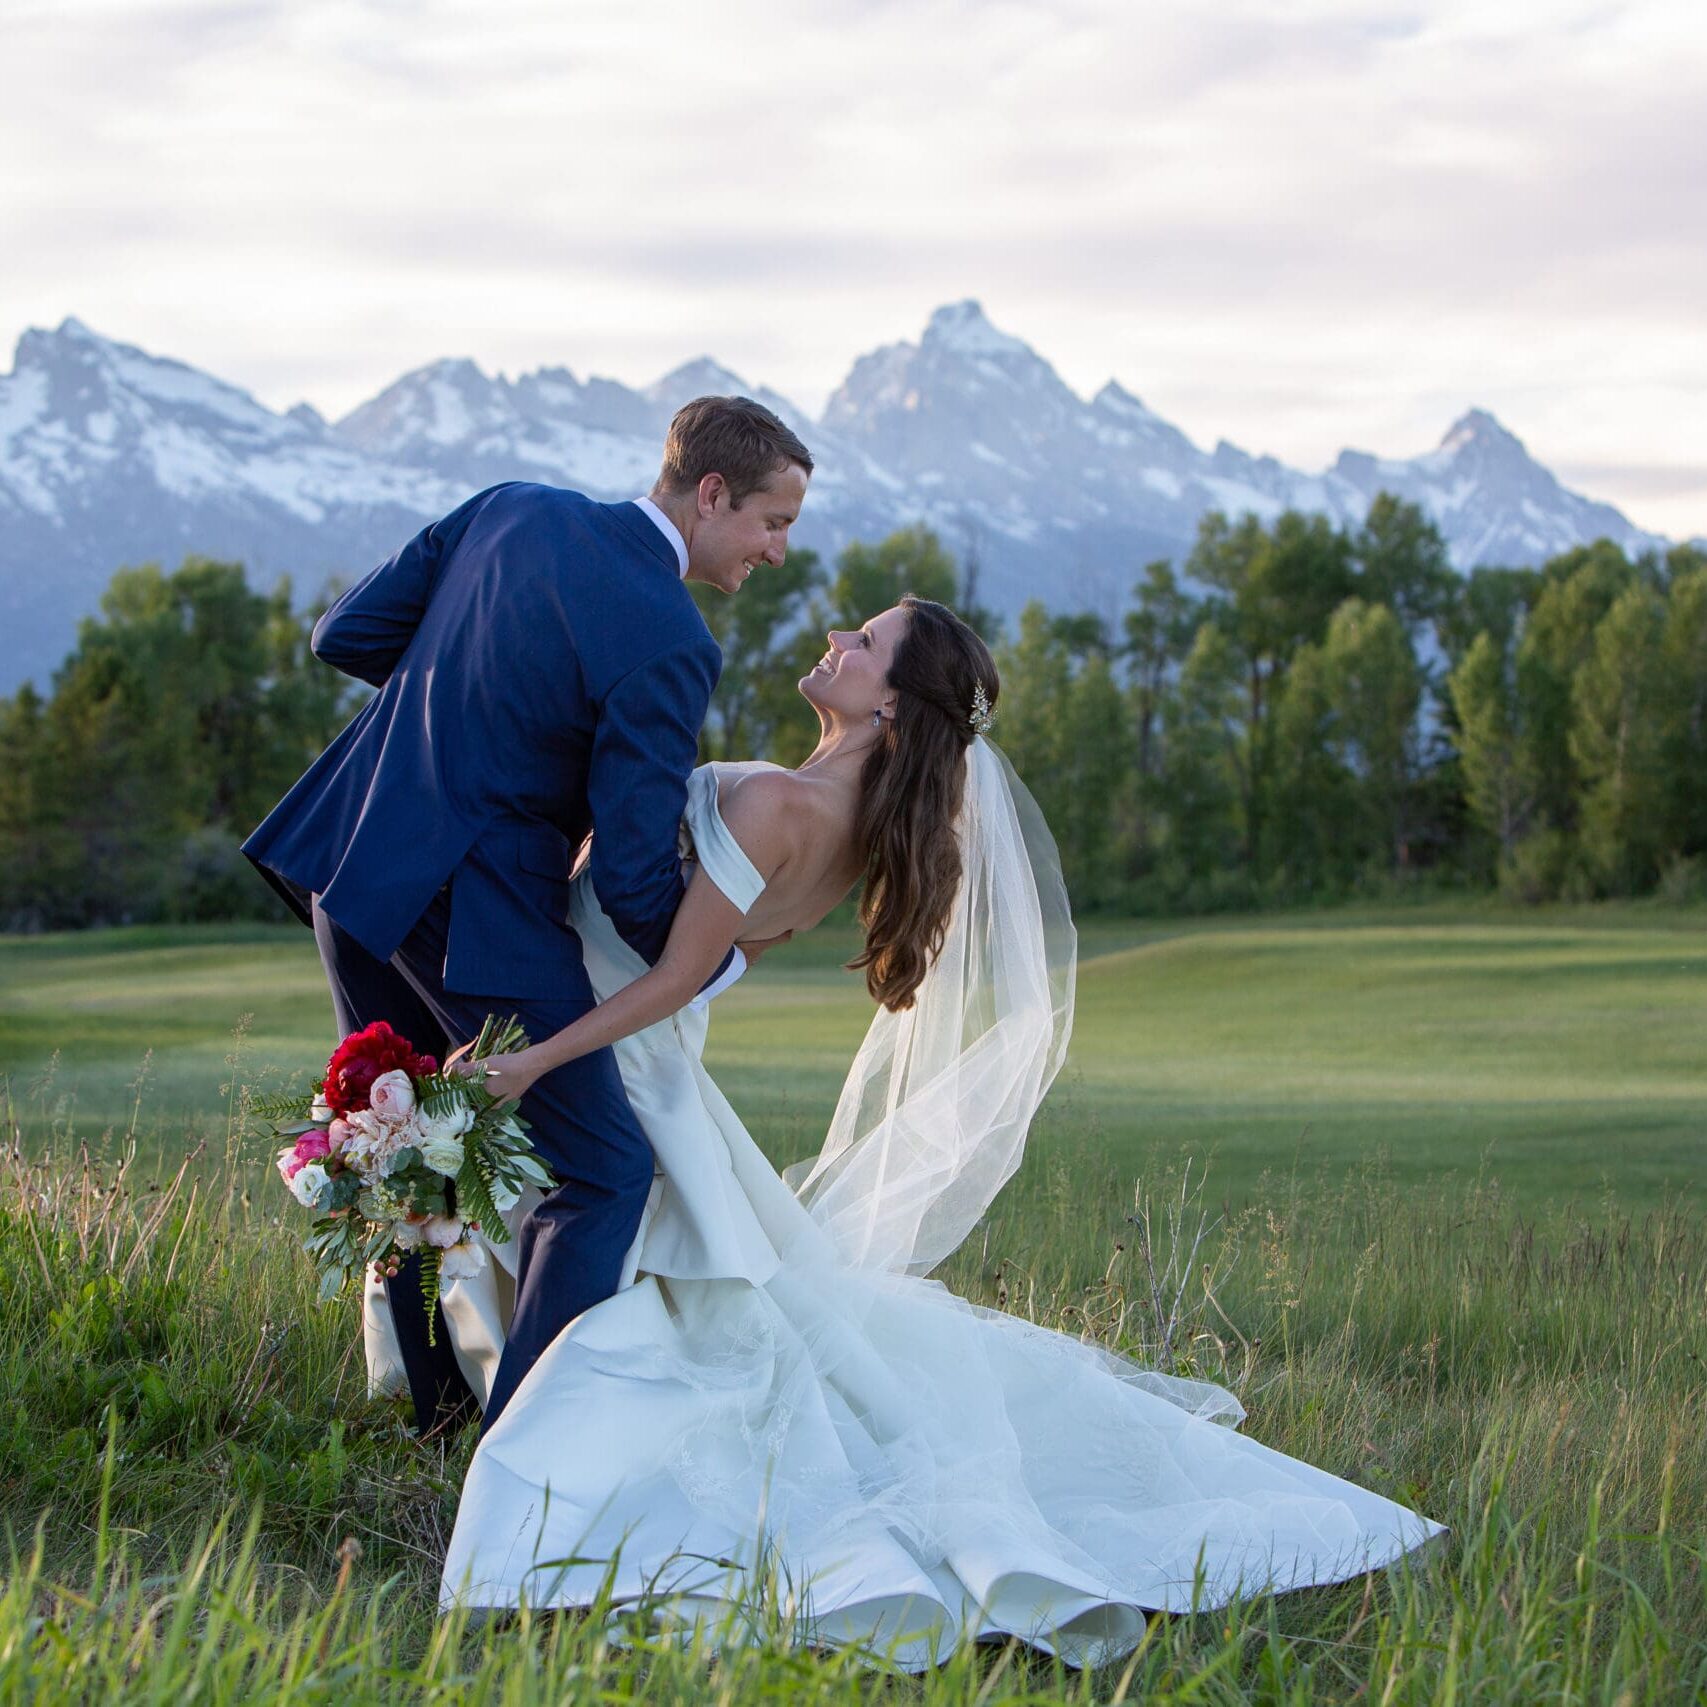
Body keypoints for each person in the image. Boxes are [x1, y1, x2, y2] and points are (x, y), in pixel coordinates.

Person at [404, 595, 1444, 1667]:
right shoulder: (843, 827)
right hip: (639, 1059)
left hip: (595, 1046)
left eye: (864, 642)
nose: (837, 639)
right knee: (678, 1292)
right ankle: (485, 1421)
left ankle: (535, 1486)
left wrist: (532, 1058)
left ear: (891, 699)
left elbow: (677, 976)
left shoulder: (779, 804)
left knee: (660, 1316)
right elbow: (736, 956)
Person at [241, 395, 812, 1434]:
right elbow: (636, 870)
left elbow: (346, 633)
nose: (777, 551)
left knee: (399, 1133)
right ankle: (525, 1447)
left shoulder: (514, 507)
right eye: (773, 523)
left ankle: (435, 1414)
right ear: (714, 492)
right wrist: (708, 965)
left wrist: (466, 699)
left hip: (357, 856)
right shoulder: (672, 638)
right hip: (480, 916)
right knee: (602, 1172)